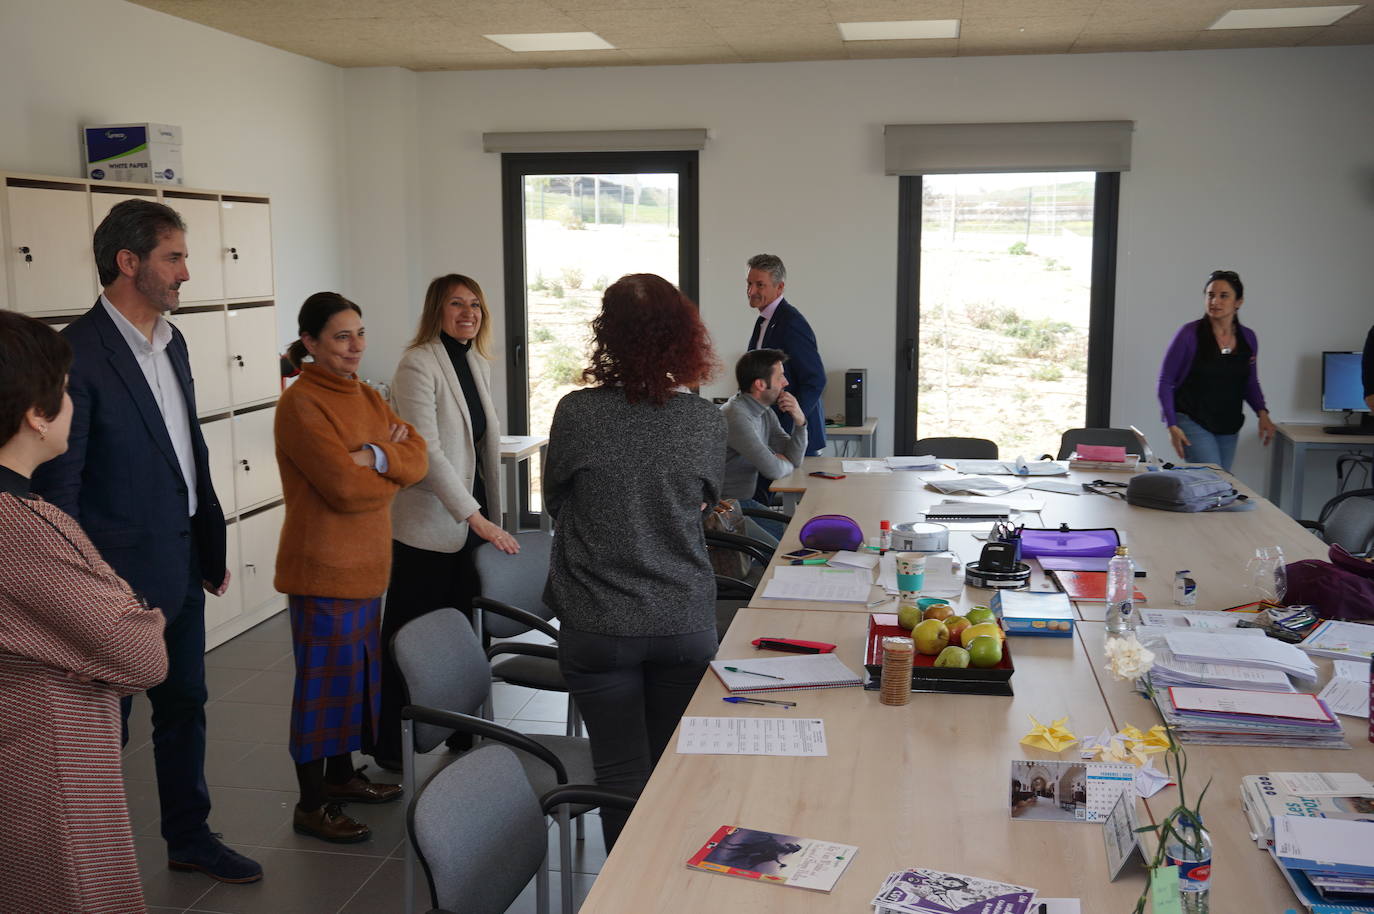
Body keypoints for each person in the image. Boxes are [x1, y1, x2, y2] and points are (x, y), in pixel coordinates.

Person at [31, 199, 260, 884]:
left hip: (180, 561)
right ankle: (85, 861)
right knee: (106, 729)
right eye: (174, 256)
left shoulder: (173, 340)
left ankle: (189, 836)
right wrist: (86, 588)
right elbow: (61, 490)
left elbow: (184, 450)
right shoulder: (75, 352)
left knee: (186, 706)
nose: (187, 272)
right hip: (113, 584)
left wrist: (208, 542)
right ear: (129, 262)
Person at [544, 273, 725, 850]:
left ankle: (626, 890)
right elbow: (702, 506)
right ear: (684, 337)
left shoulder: (576, 413)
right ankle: (671, 882)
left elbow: (554, 503)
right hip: (682, 619)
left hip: (597, 620)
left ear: (607, 334)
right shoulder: (703, 420)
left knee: (620, 773)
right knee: (674, 765)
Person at [0, 312, 169, 914]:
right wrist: (136, 615)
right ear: (36, 415)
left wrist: (94, 643)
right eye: (65, 389)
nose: (71, 401)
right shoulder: (20, 530)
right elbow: (143, 655)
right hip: (47, 766)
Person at [274, 292, 428, 842]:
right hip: (322, 568)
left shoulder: (366, 394)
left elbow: (418, 457)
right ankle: (310, 804)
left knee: (356, 680)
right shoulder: (301, 404)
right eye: (341, 336)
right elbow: (340, 489)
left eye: (359, 333)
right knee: (322, 689)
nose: (355, 346)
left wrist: (374, 455)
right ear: (311, 344)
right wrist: (375, 466)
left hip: (366, 566)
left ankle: (340, 778)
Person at [375, 274, 519, 768]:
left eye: (475, 305)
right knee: (409, 637)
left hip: (469, 522)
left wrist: (481, 517)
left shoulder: (473, 360)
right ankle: (391, 746)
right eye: (457, 304)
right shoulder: (417, 364)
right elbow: (428, 451)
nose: (468, 313)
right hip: (429, 526)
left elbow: (480, 445)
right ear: (436, 310)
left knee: (464, 632)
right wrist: (475, 517)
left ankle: (462, 729)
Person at [1157, 269, 1275, 471]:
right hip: (1192, 418)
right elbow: (1165, 380)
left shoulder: (1248, 338)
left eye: (1223, 296)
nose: (1215, 302)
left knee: (1220, 486)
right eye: (1210, 295)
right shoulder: (1189, 334)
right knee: (1214, 477)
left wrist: (1262, 413)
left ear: (1238, 302)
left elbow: (1249, 382)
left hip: (1228, 423)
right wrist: (1171, 423)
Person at [720, 348, 807, 543]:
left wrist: (800, 421)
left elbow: (793, 459)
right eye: (780, 377)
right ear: (760, 384)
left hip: (743, 502)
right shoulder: (737, 417)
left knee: (794, 538)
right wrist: (781, 463)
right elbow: (774, 470)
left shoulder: (764, 411)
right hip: (726, 507)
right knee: (786, 548)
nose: (786, 383)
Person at [745, 253, 826, 458]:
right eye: (749, 283)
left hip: (792, 437)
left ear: (779, 287)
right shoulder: (764, 319)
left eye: (759, 285)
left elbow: (815, 379)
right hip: (771, 433)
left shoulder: (791, 322)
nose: (751, 291)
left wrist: (794, 422)